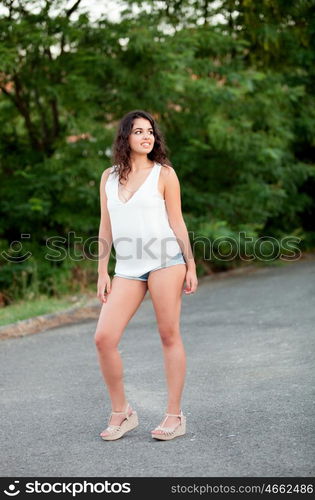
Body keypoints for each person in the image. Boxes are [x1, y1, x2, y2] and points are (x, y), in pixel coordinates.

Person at [94, 110, 198, 441]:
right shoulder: (108, 177)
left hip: (166, 260)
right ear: (125, 137)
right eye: (138, 131)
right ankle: (122, 412)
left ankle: (174, 416)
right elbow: (105, 226)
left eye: (150, 131)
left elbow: (177, 222)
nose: (146, 136)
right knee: (104, 338)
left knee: (168, 334)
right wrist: (102, 270)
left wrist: (191, 264)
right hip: (126, 268)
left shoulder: (164, 174)